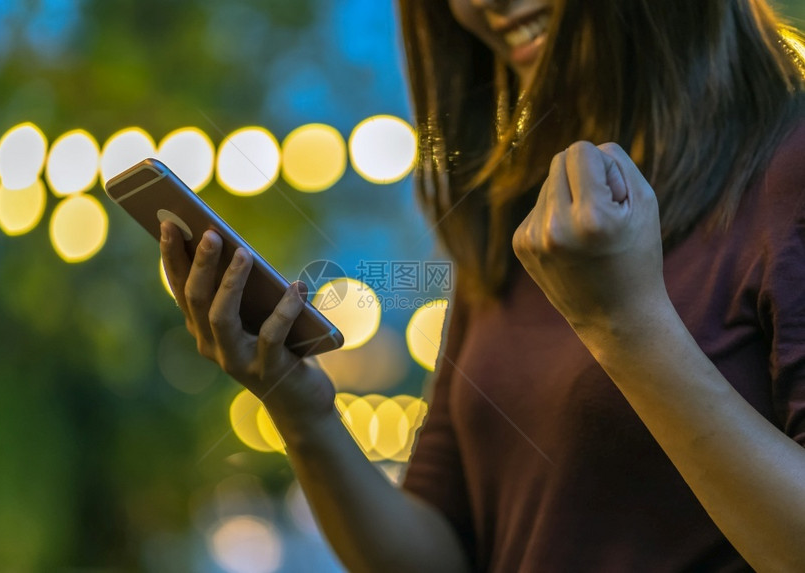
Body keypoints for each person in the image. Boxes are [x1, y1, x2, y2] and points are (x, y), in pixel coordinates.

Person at [159, 0, 805, 570]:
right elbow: (446, 552)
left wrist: (625, 322)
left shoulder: (787, 166)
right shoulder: (520, 217)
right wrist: (300, 408)